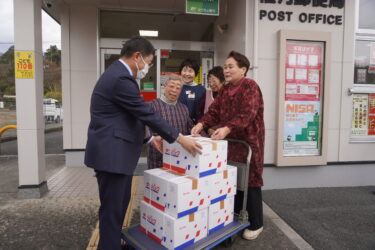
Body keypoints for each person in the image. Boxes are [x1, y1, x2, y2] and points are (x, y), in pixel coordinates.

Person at [84, 36, 202, 250]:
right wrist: (179, 137)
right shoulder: (121, 78)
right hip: (112, 155)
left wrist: (148, 137)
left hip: (116, 155)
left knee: (119, 206)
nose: (147, 68)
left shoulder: (119, 75)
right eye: (148, 62)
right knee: (112, 210)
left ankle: (112, 244)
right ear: (138, 56)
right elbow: (144, 112)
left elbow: (128, 116)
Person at [191, 51, 265, 241]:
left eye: (231, 66)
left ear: (243, 69)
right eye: (225, 67)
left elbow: (247, 114)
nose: (227, 70)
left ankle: (257, 223)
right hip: (230, 143)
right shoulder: (224, 90)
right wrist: (201, 124)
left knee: (250, 180)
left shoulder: (250, 86)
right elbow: (214, 111)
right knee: (232, 178)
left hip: (248, 142)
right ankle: (236, 216)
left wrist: (226, 128)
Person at [147, 74, 194, 169]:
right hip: (158, 156)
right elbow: (146, 129)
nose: (174, 90)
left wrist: (200, 133)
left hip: (179, 157)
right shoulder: (153, 105)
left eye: (178, 88)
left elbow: (191, 127)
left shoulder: (183, 108)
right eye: (171, 86)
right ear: (164, 87)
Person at [178, 58, 206, 124]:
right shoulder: (176, 88)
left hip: (196, 127)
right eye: (184, 70)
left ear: (195, 73)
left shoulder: (201, 90)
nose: (187, 74)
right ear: (180, 71)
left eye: (190, 71)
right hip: (178, 125)